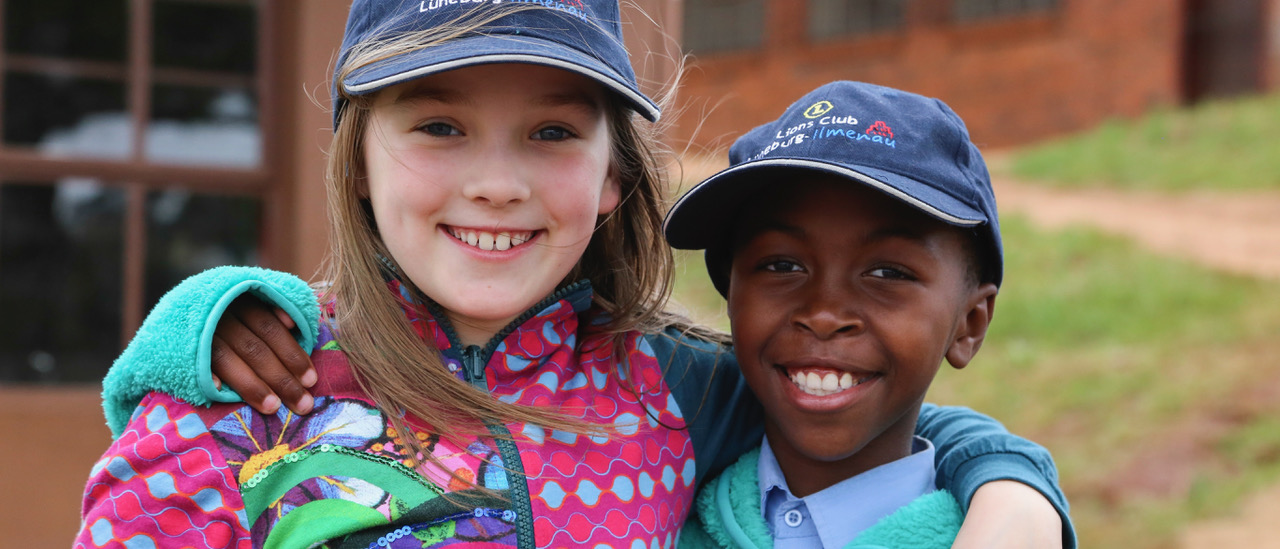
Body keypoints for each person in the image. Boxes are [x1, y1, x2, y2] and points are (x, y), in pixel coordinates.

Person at [77, 2, 1071, 548]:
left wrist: (1016, 494)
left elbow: (879, 409)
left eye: (551, 131)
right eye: (438, 125)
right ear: (359, 161)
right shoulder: (246, 384)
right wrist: (202, 317)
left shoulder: (672, 388)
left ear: (611, 176)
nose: (499, 183)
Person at [665, 80, 1074, 548]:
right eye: (782, 265)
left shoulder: (996, 532)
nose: (824, 313)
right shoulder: (648, 507)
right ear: (731, 293)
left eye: (887, 273)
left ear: (970, 324)